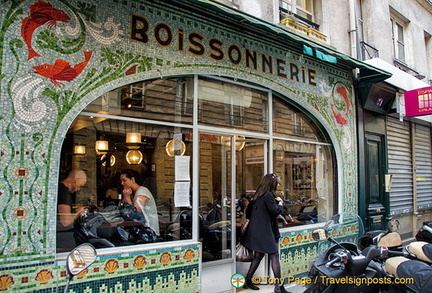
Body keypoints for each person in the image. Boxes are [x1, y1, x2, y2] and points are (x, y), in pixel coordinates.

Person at [242, 173, 290, 293]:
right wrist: (280, 203)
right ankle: (279, 287)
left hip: (256, 231)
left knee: (258, 255)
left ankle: (248, 280)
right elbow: (275, 211)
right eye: (277, 182)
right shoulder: (268, 195)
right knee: (274, 255)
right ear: (271, 183)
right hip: (264, 231)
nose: (278, 185)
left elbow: (248, 213)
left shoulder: (258, 195)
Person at [120, 169, 160, 235]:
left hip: (148, 231)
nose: (122, 183)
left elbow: (135, 213)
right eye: (121, 181)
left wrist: (127, 197)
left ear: (132, 179)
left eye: (124, 180)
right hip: (141, 229)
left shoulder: (142, 192)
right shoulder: (132, 192)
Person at [57, 169, 88, 250]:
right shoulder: (63, 192)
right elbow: (65, 222)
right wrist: (78, 212)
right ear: (76, 180)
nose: (78, 189)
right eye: (79, 186)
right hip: (62, 236)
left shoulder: (61, 188)